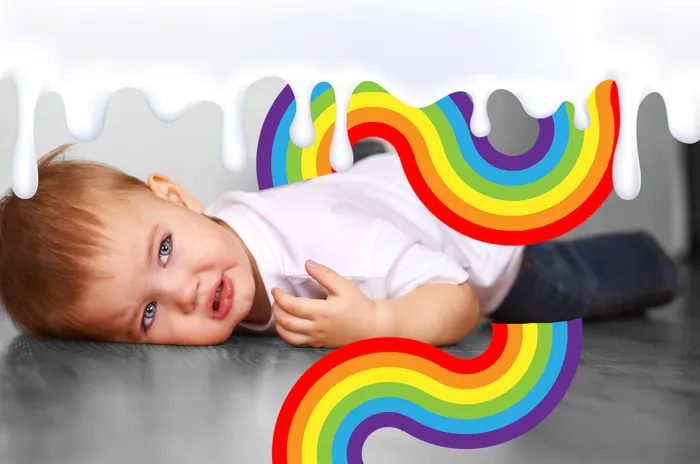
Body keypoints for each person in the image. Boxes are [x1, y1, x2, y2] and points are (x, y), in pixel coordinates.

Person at [0, 143, 678, 348]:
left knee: (578, 283)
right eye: (148, 315)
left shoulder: (323, 249)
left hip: (480, 244)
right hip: (392, 200)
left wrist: (379, 322)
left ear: (178, 197)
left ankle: (658, 259)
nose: (182, 292)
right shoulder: (225, 238)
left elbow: (458, 299)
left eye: (166, 251)